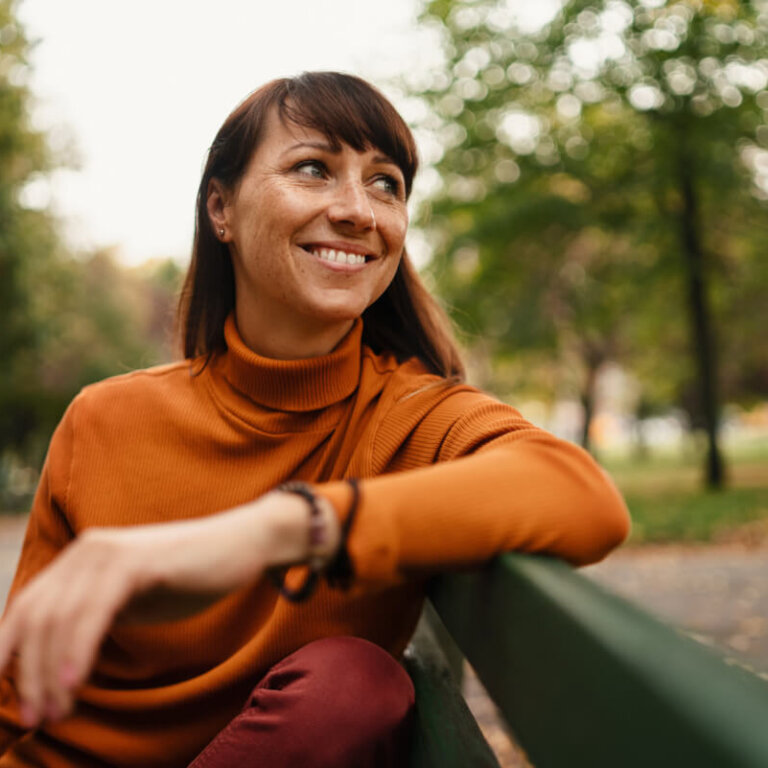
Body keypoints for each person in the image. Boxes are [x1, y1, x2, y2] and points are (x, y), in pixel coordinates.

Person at [0, 72, 630, 767]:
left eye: (386, 183)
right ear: (222, 209)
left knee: (354, 683)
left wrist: (276, 530)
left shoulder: (414, 419)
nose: (359, 210)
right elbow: (14, 686)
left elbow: (583, 497)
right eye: (313, 169)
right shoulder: (105, 420)